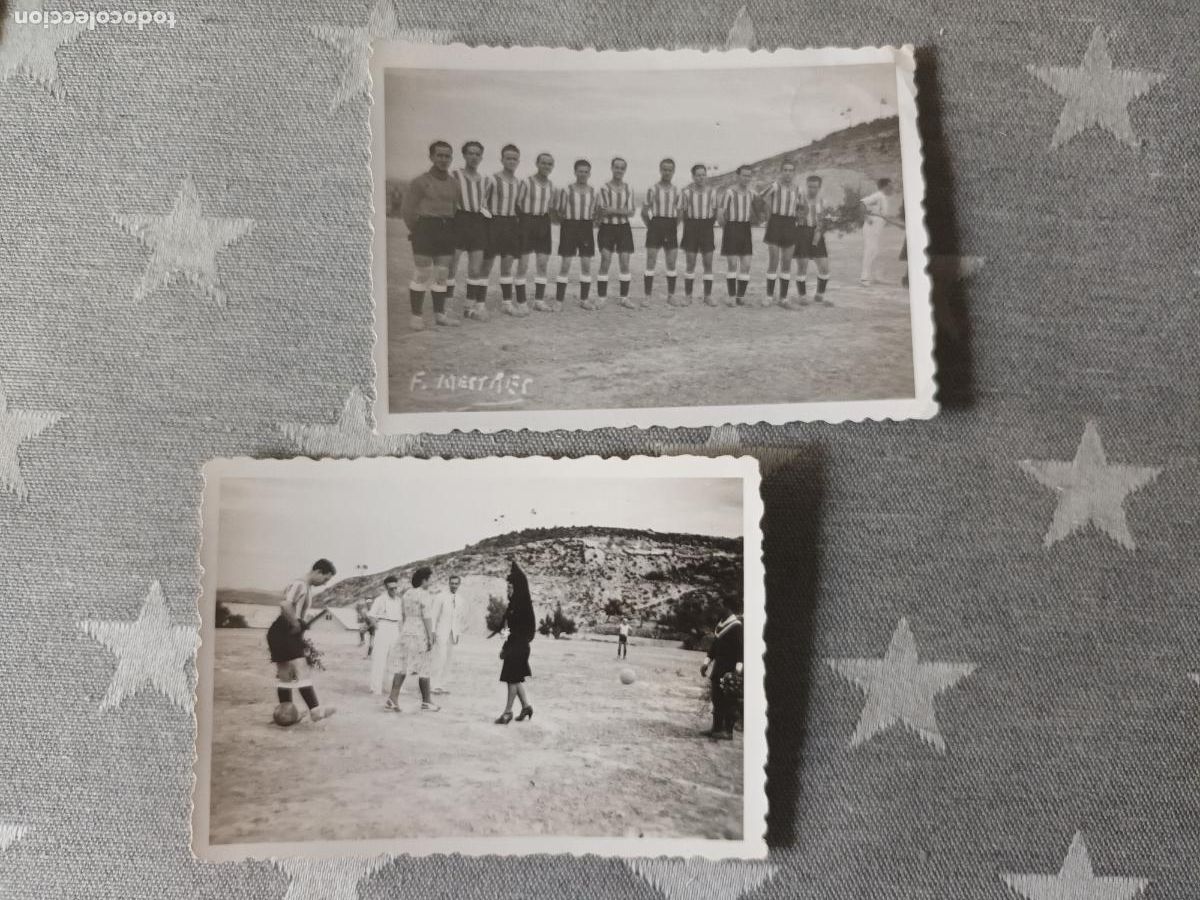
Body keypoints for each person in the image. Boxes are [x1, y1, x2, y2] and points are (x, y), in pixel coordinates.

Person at [266, 559, 337, 723]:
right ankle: (315, 711)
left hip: (281, 631)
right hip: (285, 630)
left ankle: (285, 715)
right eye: (325, 579)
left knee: (285, 674)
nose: (325, 583)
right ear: (318, 571)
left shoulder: (305, 587)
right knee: (301, 669)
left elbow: (292, 607)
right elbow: (285, 604)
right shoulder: (300, 584)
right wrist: (296, 623)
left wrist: (300, 622)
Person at [400, 140, 459, 329]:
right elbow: (407, 210)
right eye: (439, 155)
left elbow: (455, 208)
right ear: (431, 157)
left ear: (451, 158)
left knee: (442, 273)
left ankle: (440, 314)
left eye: (447, 156)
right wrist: (417, 231)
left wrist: (449, 228)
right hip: (425, 229)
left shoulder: (454, 183)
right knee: (422, 273)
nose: (443, 159)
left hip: (446, 229)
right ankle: (416, 316)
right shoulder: (420, 182)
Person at [384, 567, 440, 712]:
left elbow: (403, 614)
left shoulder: (407, 594)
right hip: (419, 632)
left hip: (407, 631)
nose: (431, 581)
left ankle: (392, 699)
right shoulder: (425, 594)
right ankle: (426, 701)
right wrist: (430, 636)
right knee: (424, 666)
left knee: (402, 665)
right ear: (424, 580)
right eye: (430, 578)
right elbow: (427, 616)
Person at [483, 144, 530, 317]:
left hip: (511, 224)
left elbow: (519, 206)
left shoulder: (520, 183)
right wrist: (488, 222)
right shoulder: (492, 179)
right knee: (486, 265)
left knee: (507, 265)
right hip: (493, 222)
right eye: (508, 158)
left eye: (514, 159)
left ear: (518, 161)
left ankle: (507, 303)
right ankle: (477, 302)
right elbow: (482, 204)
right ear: (502, 159)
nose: (511, 161)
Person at [449, 140, 491, 321]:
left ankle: (469, 307)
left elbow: (485, 205)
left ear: (481, 157)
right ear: (464, 155)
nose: (474, 157)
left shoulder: (485, 181)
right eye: (470, 153)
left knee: (475, 269)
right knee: (452, 266)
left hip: (477, 222)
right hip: (459, 220)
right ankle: (447, 306)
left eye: (477, 154)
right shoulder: (454, 176)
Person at [495, 560, 535, 724]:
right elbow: (507, 628)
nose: (507, 590)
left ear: (517, 589)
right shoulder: (513, 606)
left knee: (512, 679)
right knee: (515, 679)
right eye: (507, 587)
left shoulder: (522, 607)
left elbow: (520, 631)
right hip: (513, 646)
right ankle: (526, 707)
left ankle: (507, 712)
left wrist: (508, 644)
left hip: (519, 647)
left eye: (510, 587)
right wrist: (504, 644)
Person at [554, 159, 597, 310]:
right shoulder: (566, 190)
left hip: (586, 227)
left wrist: (595, 221)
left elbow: (597, 211)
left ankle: (584, 300)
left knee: (586, 265)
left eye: (586, 172)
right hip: (569, 226)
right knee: (565, 264)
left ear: (589, 173)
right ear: (575, 172)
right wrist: (566, 225)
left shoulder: (593, 191)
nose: (583, 174)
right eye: (580, 171)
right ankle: (559, 301)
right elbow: (558, 211)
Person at [516, 152, 556, 310]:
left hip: (543, 222)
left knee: (542, 263)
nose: (546, 166)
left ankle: (539, 301)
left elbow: (551, 207)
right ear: (537, 164)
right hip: (527, 221)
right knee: (523, 264)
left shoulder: (551, 185)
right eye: (543, 163)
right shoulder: (526, 182)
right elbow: (517, 204)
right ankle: (521, 302)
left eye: (549, 164)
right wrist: (522, 223)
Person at [595, 157, 636, 308]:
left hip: (623, 228)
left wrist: (613, 210)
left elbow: (631, 212)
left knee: (625, 262)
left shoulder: (628, 188)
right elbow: (603, 211)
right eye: (616, 167)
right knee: (605, 260)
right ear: (612, 168)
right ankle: (601, 297)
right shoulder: (604, 188)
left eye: (622, 168)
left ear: (625, 170)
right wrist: (620, 211)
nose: (619, 170)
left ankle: (624, 298)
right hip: (607, 228)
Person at [760, 160, 801, 306]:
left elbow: (801, 207)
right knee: (774, 260)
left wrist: (799, 217)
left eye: (791, 170)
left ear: (794, 173)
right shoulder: (775, 186)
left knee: (787, 262)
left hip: (790, 224)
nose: (788, 173)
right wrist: (767, 215)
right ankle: (769, 296)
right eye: (785, 170)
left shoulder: (797, 189)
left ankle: (783, 298)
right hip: (775, 223)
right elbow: (761, 197)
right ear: (781, 171)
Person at [702, 598, 743, 740]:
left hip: (730, 669)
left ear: (727, 607)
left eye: (719, 605)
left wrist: (738, 670)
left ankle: (728, 732)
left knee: (729, 700)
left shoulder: (736, 626)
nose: (717, 608)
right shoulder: (720, 624)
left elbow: (740, 649)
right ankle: (716, 728)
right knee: (716, 698)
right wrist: (706, 662)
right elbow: (714, 647)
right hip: (718, 668)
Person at [642, 158, 682, 306]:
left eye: (670, 170)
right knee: (650, 261)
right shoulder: (652, 189)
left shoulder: (677, 191)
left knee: (671, 262)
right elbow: (644, 213)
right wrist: (651, 226)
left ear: (673, 171)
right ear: (660, 170)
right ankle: (647, 296)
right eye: (664, 169)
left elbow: (680, 214)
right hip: (655, 224)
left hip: (670, 225)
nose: (667, 172)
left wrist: (672, 226)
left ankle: (671, 296)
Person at [790, 174, 832, 308]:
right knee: (802, 266)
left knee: (824, 267)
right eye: (809, 186)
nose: (811, 189)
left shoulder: (822, 202)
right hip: (802, 233)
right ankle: (802, 296)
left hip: (817, 233)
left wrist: (818, 235)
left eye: (815, 187)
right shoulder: (799, 201)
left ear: (819, 187)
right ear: (806, 186)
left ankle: (819, 294)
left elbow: (822, 221)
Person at [679, 164, 718, 305]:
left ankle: (708, 296)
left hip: (706, 228)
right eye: (698, 175)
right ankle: (688, 296)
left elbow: (714, 212)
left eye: (703, 174)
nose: (701, 177)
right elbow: (683, 212)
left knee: (708, 262)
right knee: (691, 263)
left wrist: (707, 224)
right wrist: (690, 225)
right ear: (693, 177)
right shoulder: (686, 193)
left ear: (705, 176)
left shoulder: (712, 192)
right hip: (691, 228)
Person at [718, 165, 756, 305]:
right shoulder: (729, 193)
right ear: (738, 176)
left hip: (745, 228)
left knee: (746, 265)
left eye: (748, 176)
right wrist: (727, 229)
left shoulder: (752, 193)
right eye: (744, 175)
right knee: (732, 264)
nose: (746, 178)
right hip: (732, 227)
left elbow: (757, 211)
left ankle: (741, 296)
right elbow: (720, 214)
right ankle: (731, 296)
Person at [367, 575, 403, 694]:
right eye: (391, 588)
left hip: (395, 629)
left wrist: (400, 632)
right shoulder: (380, 599)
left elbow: (400, 618)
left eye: (395, 588)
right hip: (383, 627)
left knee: (394, 659)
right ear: (386, 587)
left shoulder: (399, 600)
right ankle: (375, 688)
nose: (394, 590)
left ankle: (391, 687)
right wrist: (378, 628)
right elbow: (371, 615)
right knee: (379, 659)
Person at [859, 177, 897, 285]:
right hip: (872, 225)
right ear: (885, 186)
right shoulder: (878, 195)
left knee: (875, 251)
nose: (892, 188)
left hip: (878, 226)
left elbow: (883, 215)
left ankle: (874, 276)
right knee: (870, 250)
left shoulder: (883, 197)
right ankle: (864, 278)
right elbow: (862, 203)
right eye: (890, 186)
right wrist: (866, 217)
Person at [429, 574, 463, 695]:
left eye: (456, 583)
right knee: (440, 658)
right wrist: (432, 631)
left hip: (452, 634)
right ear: (449, 583)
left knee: (448, 659)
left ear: (459, 584)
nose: (454, 585)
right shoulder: (440, 597)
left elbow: (458, 618)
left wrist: (457, 633)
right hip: (441, 632)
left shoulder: (459, 599)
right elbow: (433, 615)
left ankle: (441, 684)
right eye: (452, 583)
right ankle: (433, 684)